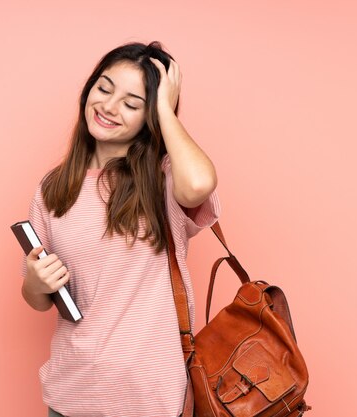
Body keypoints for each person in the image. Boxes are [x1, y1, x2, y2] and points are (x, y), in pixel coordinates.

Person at [21, 41, 220, 417]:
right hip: (72, 394)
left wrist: (165, 109)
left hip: (151, 398)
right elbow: (37, 299)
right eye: (104, 88)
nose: (109, 107)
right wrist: (36, 282)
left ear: (151, 119)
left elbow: (198, 184)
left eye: (131, 103)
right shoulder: (53, 188)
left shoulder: (163, 178)